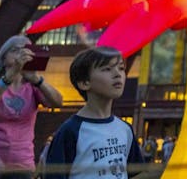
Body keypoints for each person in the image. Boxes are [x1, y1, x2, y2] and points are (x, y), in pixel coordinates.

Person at [0, 35, 64, 179]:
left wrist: (37, 79)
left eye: (26, 50)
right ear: (3, 59)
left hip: (20, 165)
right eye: (16, 50)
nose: (21, 54)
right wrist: (8, 78)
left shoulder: (32, 88)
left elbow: (57, 102)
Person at [44, 46, 140, 179]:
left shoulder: (125, 129)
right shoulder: (70, 131)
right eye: (107, 69)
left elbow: (136, 172)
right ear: (84, 83)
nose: (118, 74)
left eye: (121, 68)